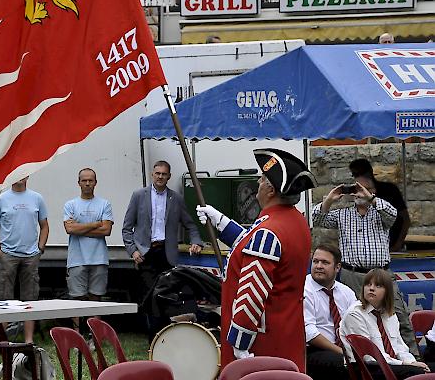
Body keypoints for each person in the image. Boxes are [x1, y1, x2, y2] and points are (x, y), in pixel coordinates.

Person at [196, 148, 317, 371]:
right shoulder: (296, 222)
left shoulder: (269, 230)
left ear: (270, 189)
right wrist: (221, 221)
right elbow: (253, 244)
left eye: (261, 179)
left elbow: (252, 290)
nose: (258, 184)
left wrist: (239, 341)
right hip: (287, 330)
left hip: (261, 340)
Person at [312, 175, 418, 356]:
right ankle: (363, 359)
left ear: (372, 192)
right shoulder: (342, 214)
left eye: (363, 189)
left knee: (398, 316)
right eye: (356, 190)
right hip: (352, 275)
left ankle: (414, 361)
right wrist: (329, 199)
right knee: (357, 316)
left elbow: (393, 215)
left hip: (381, 274)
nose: (359, 193)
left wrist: (370, 198)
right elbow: (317, 218)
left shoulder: (382, 213)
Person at [122, 160, 202, 300]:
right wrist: (133, 250)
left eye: (164, 174)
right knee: (147, 297)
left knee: (165, 296)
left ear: (169, 176)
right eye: (157, 173)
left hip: (166, 254)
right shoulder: (139, 195)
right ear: (152, 174)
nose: (160, 177)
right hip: (145, 253)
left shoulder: (176, 198)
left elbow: (190, 225)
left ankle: (163, 323)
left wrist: (196, 242)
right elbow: (127, 228)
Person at [340, 269, 433, 379]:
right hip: (365, 367)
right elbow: (369, 356)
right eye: (368, 284)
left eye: (378, 286)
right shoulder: (355, 314)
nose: (371, 288)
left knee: (426, 369)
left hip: (390, 363)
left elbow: (400, 347)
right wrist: (404, 364)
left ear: (387, 291)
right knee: (415, 373)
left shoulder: (389, 313)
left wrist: (411, 362)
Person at [0, 176, 48, 343]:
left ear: (28, 176)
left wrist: (40, 248)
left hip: (31, 256)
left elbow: (44, 225)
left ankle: (28, 340)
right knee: (4, 298)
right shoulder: (1, 199)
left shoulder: (37, 198)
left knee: (30, 299)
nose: (20, 178)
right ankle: (2, 339)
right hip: (8, 255)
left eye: (23, 174)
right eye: (16, 174)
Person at [304, 243, 357, 380]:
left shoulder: (347, 292)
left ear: (337, 267)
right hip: (314, 351)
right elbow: (309, 332)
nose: (319, 266)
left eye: (325, 262)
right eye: (315, 261)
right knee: (346, 365)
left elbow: (358, 324)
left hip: (345, 349)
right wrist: (342, 352)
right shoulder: (304, 289)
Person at [63, 168, 113, 302]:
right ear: (78, 183)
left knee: (96, 299)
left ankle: (93, 324)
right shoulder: (70, 205)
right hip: (76, 259)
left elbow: (106, 230)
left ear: (95, 182)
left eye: (90, 180)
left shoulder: (104, 204)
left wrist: (79, 228)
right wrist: (95, 224)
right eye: (84, 180)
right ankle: (78, 324)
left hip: (99, 259)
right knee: (77, 300)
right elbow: (69, 229)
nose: (87, 183)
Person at [349, 158, 411, 252]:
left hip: (391, 245)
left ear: (369, 172)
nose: (358, 178)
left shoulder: (390, 190)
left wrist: (397, 245)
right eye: (355, 175)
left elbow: (405, 219)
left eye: (360, 174)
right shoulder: (357, 194)